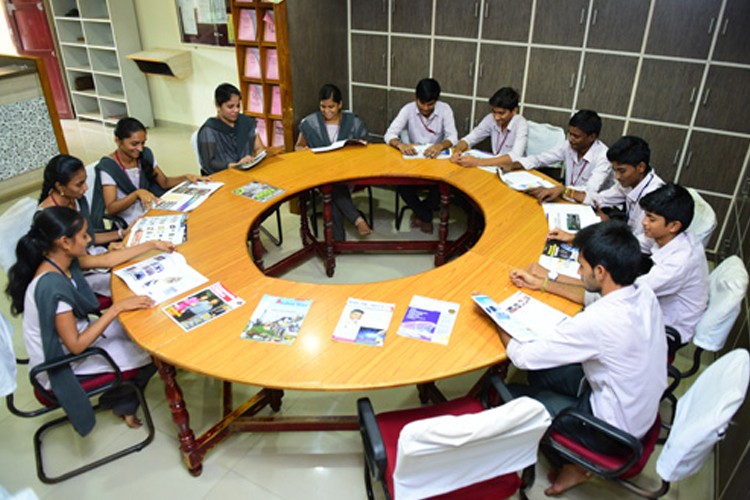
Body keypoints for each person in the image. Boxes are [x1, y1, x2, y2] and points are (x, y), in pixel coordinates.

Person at [502, 221, 666, 496]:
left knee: (504, 393)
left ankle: (576, 464)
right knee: (543, 374)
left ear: (600, 271)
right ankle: (572, 462)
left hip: (609, 433)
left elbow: (522, 357)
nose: (578, 272)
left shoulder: (600, 322)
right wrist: (542, 284)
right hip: (633, 407)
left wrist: (497, 316)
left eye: (581, 266)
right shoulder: (642, 293)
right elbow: (591, 298)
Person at [5, 207, 176, 432]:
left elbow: (106, 260)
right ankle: (122, 401)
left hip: (79, 338)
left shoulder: (59, 260)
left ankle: (123, 397)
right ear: (65, 242)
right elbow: (76, 346)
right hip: (64, 364)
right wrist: (116, 309)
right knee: (153, 349)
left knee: (145, 325)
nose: (89, 240)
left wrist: (152, 244)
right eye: (84, 236)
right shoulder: (52, 287)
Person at [545, 136, 665, 251]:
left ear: (640, 167)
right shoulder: (632, 182)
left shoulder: (656, 196)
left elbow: (642, 244)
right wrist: (564, 190)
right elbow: (600, 199)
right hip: (626, 239)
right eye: (615, 170)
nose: (617, 177)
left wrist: (576, 238)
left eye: (622, 171)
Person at [91, 117, 209, 230]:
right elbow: (111, 208)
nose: (140, 149)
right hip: (129, 218)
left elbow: (164, 182)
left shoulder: (145, 155)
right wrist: (136, 194)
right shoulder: (109, 167)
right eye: (134, 144)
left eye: (143, 143)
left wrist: (186, 177)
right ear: (117, 141)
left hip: (151, 207)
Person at [296, 83, 371, 240]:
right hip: (320, 172)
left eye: (331, 107)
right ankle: (356, 219)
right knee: (330, 185)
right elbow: (298, 147)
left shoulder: (353, 122)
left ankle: (336, 242)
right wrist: (304, 151)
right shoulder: (311, 123)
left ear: (340, 105)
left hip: (348, 172)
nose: (327, 111)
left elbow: (365, 146)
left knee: (331, 189)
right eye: (323, 107)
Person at [384, 78, 458, 234]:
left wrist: (440, 145)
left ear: (436, 101)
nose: (425, 108)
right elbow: (389, 134)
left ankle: (422, 213)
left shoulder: (445, 110)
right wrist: (400, 144)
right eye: (422, 103)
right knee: (403, 187)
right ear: (415, 97)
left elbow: (453, 138)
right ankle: (426, 215)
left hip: (436, 159)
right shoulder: (408, 109)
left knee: (443, 186)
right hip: (414, 160)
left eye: (430, 104)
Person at [498, 110, 614, 199]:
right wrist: (515, 165)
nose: (571, 139)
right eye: (570, 134)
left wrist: (562, 190)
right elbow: (541, 159)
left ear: (592, 137)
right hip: (567, 197)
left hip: (592, 206)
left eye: (576, 136)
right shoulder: (569, 145)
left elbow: (590, 190)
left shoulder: (603, 156)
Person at [38, 154, 123, 247]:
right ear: (60, 187)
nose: (85, 187)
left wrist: (122, 233)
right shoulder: (47, 216)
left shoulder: (79, 200)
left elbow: (89, 238)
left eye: (85, 181)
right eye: (79, 184)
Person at [450, 87, 528, 168]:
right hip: (493, 166)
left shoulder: (521, 123)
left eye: (501, 113)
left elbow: (515, 156)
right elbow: (470, 138)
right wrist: (457, 151)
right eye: (494, 112)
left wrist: (477, 162)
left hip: (512, 168)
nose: (496, 117)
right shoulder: (490, 118)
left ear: (514, 111)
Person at [197, 82, 266, 174]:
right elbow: (210, 164)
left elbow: (259, 148)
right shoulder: (209, 130)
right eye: (230, 106)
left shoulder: (246, 122)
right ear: (218, 105)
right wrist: (236, 165)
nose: (236, 110)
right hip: (225, 176)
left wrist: (256, 159)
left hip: (249, 172)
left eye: (238, 105)